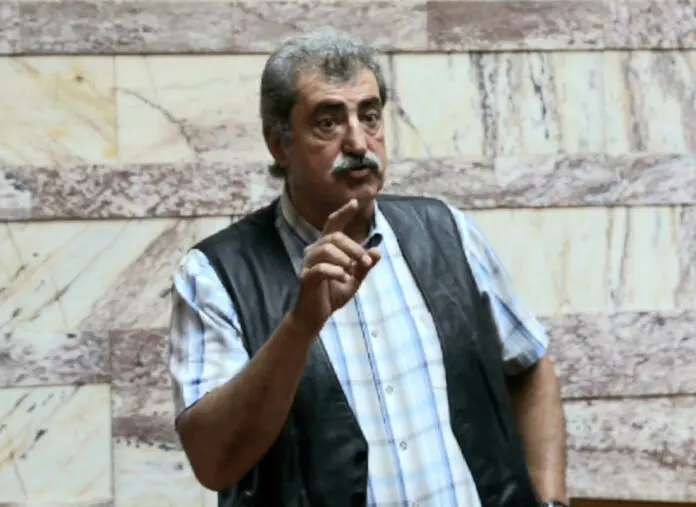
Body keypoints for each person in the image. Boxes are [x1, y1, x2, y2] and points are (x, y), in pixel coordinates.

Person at [168, 27, 568, 507]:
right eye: (328, 122)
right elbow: (214, 462)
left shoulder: (446, 231)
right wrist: (300, 326)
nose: (359, 141)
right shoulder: (214, 274)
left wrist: (551, 500)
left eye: (370, 115)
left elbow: (529, 364)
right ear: (279, 144)